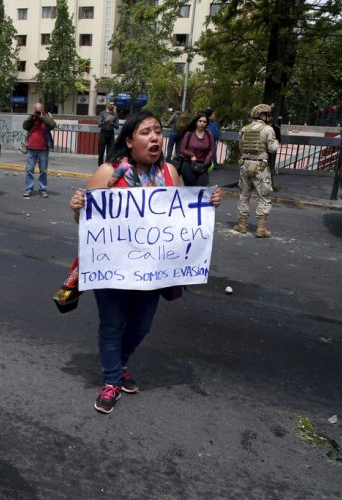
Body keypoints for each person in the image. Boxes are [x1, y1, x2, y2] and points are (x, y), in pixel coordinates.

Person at [69, 110, 221, 414]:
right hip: (113, 269)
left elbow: (181, 219)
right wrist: (77, 206)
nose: (154, 137)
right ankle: (112, 380)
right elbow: (87, 221)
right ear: (129, 140)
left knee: (142, 325)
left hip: (151, 271)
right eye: (145, 132)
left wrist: (206, 204)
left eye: (158, 131)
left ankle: (120, 362)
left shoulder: (169, 174)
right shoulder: (107, 172)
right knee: (112, 325)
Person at [233, 103, 280, 238]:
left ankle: (241, 225)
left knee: (244, 195)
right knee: (264, 197)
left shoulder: (244, 129)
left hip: (245, 165)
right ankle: (261, 229)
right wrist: (277, 142)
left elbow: (241, 148)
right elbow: (272, 149)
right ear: (261, 115)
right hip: (260, 166)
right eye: (268, 114)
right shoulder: (268, 129)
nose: (270, 117)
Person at [22, 102, 55, 198]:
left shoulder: (46, 117)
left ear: (42, 109)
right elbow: (24, 126)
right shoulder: (32, 118)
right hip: (31, 148)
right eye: (36, 109)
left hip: (43, 149)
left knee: (43, 171)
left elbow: (52, 125)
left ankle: (43, 189)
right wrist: (31, 117)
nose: (38, 111)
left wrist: (42, 116)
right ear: (34, 109)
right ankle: (28, 189)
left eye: (40, 109)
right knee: (29, 170)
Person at [178, 112, 215, 187]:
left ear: (207, 123)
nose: (202, 123)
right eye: (200, 121)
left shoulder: (209, 134)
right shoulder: (189, 133)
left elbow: (212, 149)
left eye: (204, 122)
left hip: (203, 165)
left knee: (201, 190)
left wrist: (208, 158)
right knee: (191, 190)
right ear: (196, 122)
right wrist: (191, 155)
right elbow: (182, 149)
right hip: (189, 164)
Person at [97, 101, 119, 165]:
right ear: (107, 105)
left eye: (113, 105)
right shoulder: (102, 113)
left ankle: (107, 166)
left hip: (111, 134)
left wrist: (111, 122)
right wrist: (105, 121)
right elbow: (99, 125)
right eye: (111, 104)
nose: (112, 106)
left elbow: (117, 126)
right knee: (101, 151)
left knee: (110, 152)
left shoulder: (115, 114)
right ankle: (100, 166)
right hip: (103, 133)